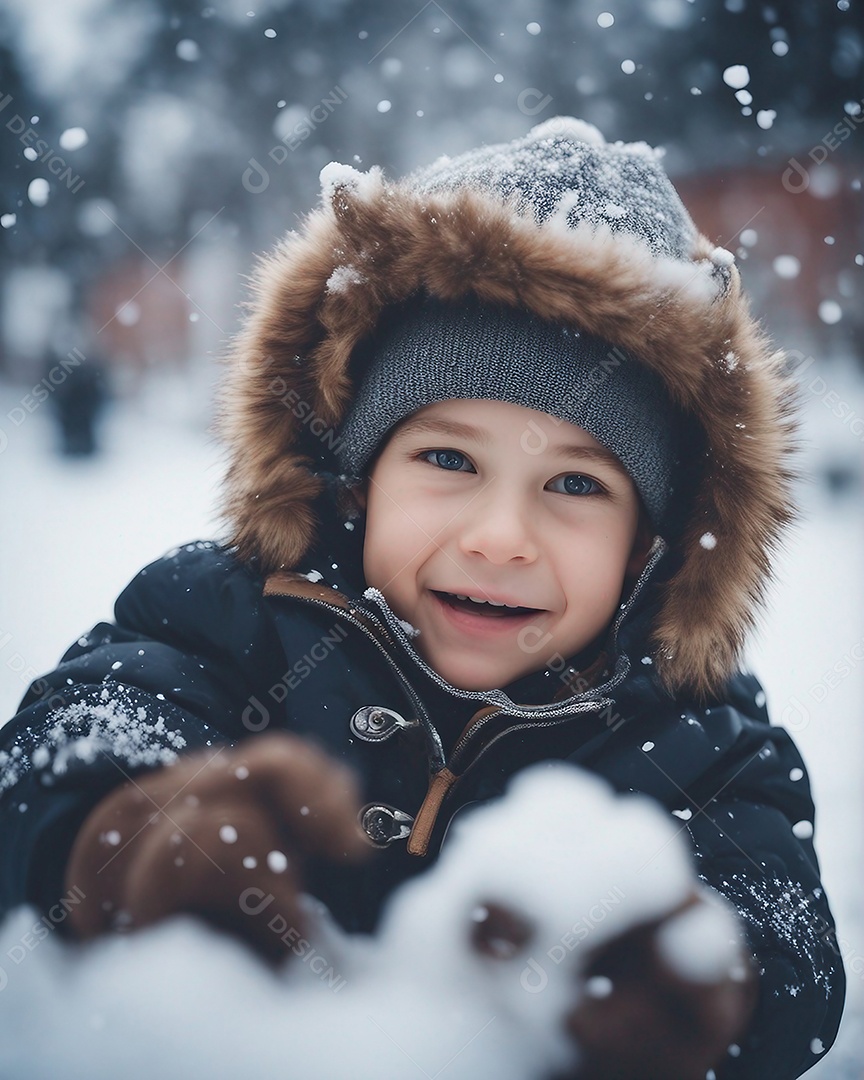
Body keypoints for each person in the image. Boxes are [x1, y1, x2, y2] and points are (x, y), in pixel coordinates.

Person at [0, 117, 844, 1078]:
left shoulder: (698, 740)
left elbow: (787, 939)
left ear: (650, 546)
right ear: (359, 483)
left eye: (576, 486)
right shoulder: (225, 620)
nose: (499, 536)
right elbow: (74, 734)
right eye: (447, 459)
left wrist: (688, 978)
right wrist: (132, 835)